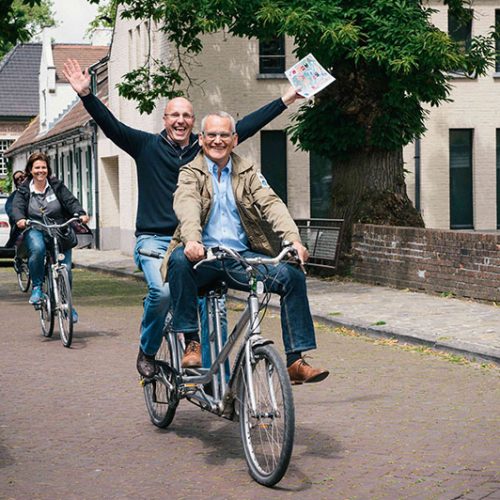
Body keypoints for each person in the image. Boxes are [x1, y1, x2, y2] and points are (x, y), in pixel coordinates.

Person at [62, 58, 302, 378]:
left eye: (186, 115)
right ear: (165, 119)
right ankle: (148, 351)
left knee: (212, 306)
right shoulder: (145, 146)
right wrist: (86, 95)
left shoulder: (203, 149)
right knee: (162, 293)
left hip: (199, 241)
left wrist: (287, 99)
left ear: (194, 124)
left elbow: (245, 126)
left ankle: (215, 381)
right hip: (155, 240)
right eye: (174, 115)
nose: (180, 120)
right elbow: (111, 126)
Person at [161, 111, 329, 384]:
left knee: (292, 276)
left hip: (239, 259)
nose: (218, 140)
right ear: (201, 139)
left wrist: (293, 240)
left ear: (234, 139)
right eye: (211, 135)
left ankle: (295, 361)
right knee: (179, 260)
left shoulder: (248, 172)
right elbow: (187, 203)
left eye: (224, 135)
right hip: (202, 258)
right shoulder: (190, 172)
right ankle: (192, 341)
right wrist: (192, 239)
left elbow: (271, 204)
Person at [11, 152, 90, 321]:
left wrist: (80, 213)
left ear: (48, 169)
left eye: (44, 167)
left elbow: (70, 201)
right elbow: (17, 206)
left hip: (58, 230)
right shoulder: (24, 189)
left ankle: (67, 304)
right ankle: (37, 287)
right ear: (30, 170)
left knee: (65, 269)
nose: (41, 171)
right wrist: (20, 219)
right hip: (35, 228)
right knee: (37, 248)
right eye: (37, 168)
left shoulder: (56, 185)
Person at [5, 170, 25, 248]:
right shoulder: (13, 196)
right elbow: (10, 209)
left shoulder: (36, 191)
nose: (20, 179)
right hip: (21, 229)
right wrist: (19, 218)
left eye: (22, 177)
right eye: (17, 179)